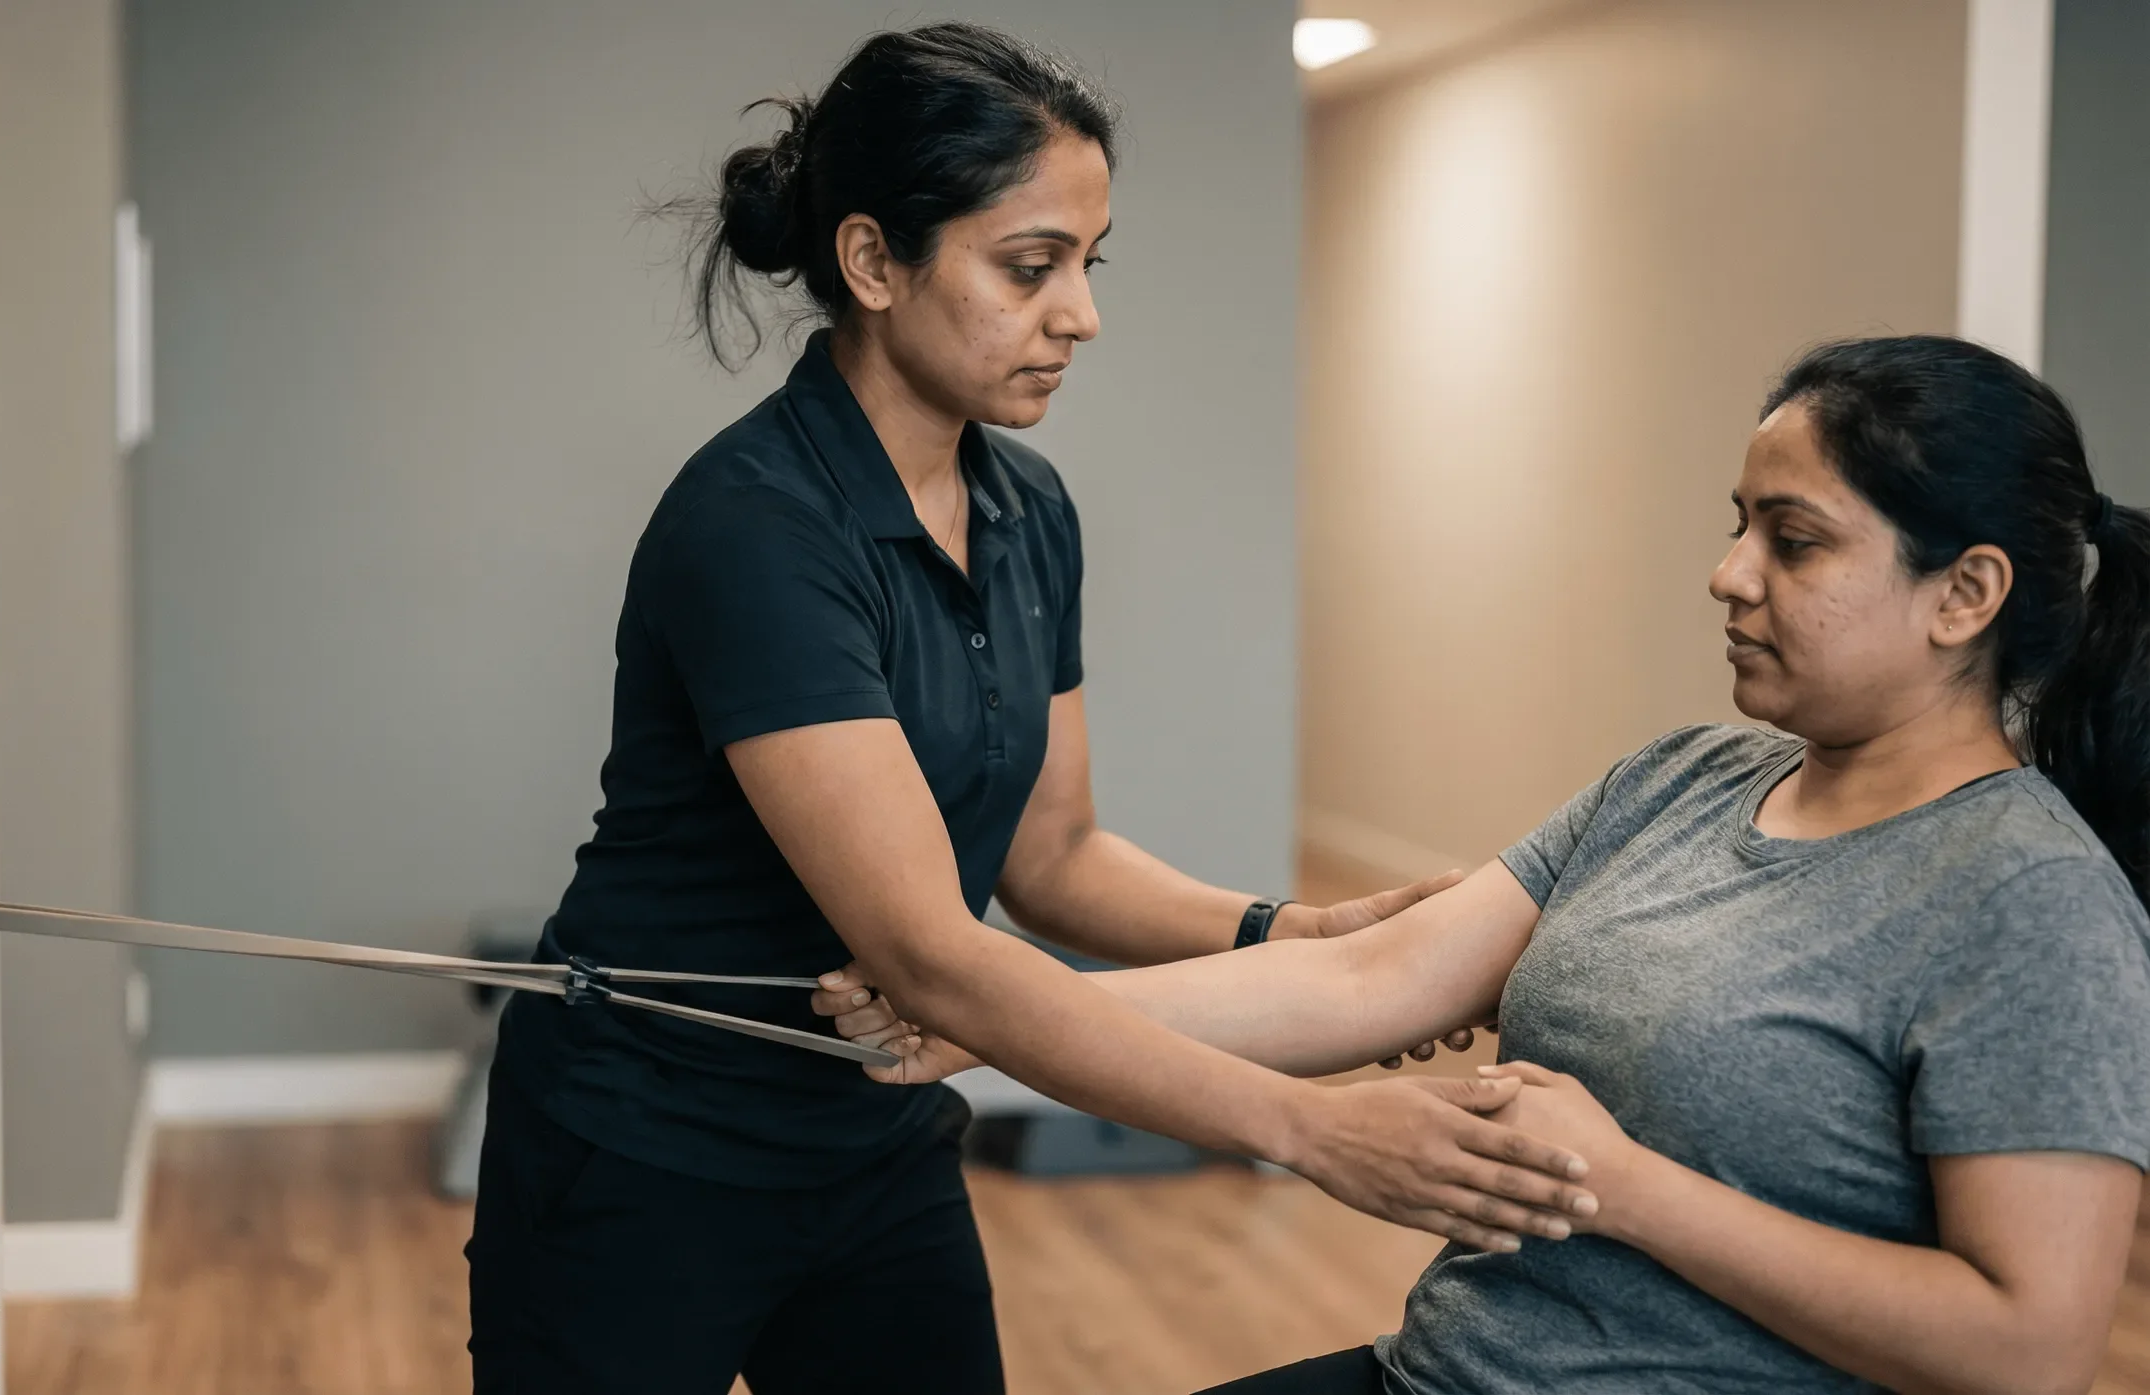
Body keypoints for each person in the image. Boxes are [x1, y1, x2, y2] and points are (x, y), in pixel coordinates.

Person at [467, 22, 1592, 1395]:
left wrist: (1283, 928)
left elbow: (1054, 855)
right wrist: (1310, 1128)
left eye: (1087, 264)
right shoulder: (756, 526)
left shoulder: (1025, 508)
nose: (1082, 314)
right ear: (875, 261)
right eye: (1029, 266)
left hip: (874, 1145)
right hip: (645, 1151)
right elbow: (933, 957)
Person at [832, 335, 2150, 1394]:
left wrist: (1628, 1188)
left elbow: (2024, 1347)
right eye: (1738, 524)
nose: (1728, 573)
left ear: (1965, 594)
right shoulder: (1679, 778)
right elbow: (1368, 978)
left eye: (1792, 541)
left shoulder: (2030, 905)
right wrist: (992, 1012)